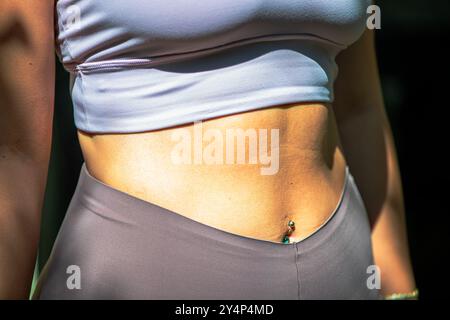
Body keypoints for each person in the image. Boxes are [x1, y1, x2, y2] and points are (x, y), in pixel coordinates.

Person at [0, 0, 416, 299]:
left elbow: (359, 106)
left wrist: (397, 285)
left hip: (344, 265)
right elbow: (15, 154)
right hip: (145, 273)